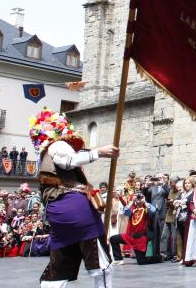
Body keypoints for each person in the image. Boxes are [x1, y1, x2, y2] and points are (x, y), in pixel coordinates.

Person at [31, 108, 118, 288]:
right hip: (75, 207)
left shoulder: (43, 154)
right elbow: (69, 160)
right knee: (100, 262)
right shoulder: (57, 145)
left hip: (57, 211)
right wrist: (99, 152)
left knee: (61, 259)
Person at [108, 192, 159, 265]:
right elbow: (126, 212)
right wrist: (130, 202)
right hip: (129, 236)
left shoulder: (146, 208)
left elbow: (153, 211)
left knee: (141, 262)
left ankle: (158, 258)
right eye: (136, 198)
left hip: (140, 238)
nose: (137, 200)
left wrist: (144, 202)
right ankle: (118, 259)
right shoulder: (133, 209)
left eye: (138, 198)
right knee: (113, 239)